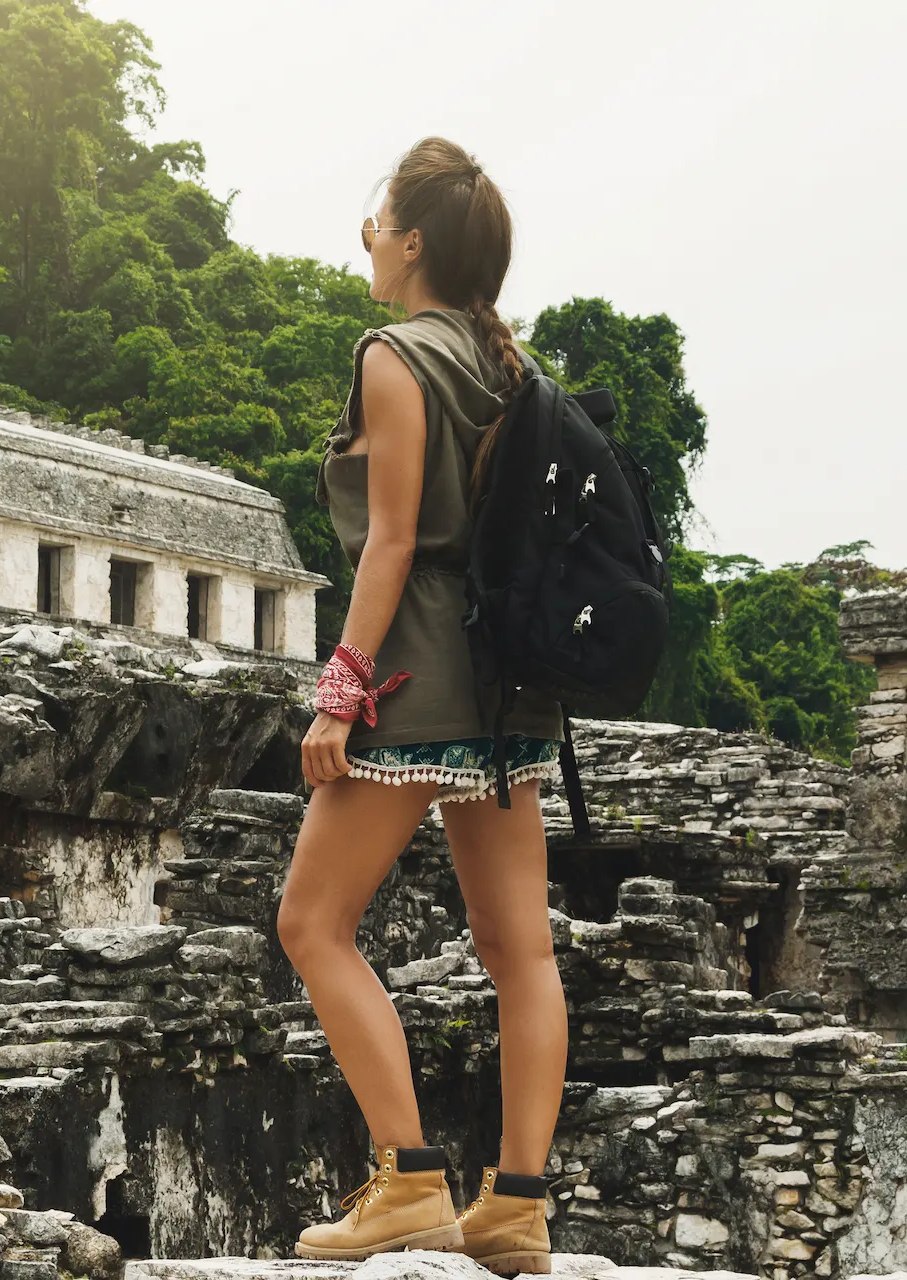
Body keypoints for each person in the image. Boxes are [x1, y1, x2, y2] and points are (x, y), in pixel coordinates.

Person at [280, 137, 564, 1276]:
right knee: (520, 951)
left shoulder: (394, 356)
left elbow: (394, 540)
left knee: (312, 922)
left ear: (410, 243)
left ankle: (406, 1180)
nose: (364, 234)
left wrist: (338, 695)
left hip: (421, 675)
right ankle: (519, 1206)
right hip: (517, 686)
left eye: (376, 216)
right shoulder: (512, 364)